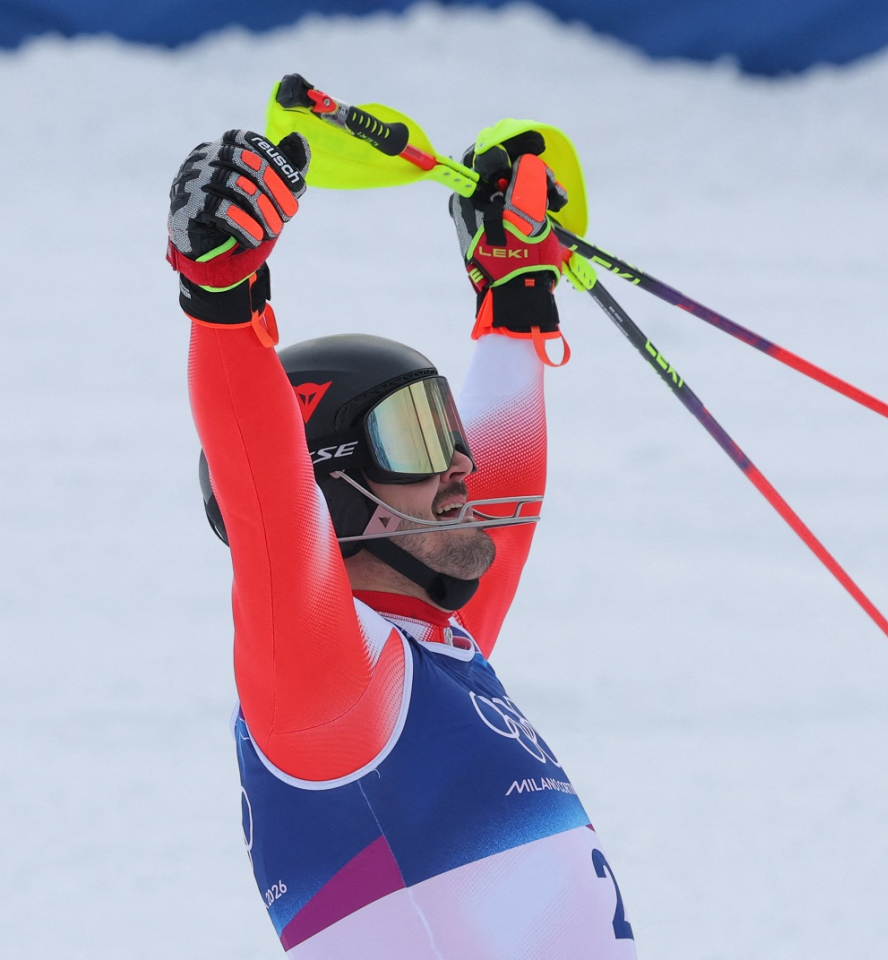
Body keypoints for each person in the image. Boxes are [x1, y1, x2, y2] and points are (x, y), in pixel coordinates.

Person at [168, 127, 636, 958]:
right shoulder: (331, 693)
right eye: (414, 440)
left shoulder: (428, 656)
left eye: (447, 428)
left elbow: (504, 505)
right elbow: (267, 500)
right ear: (331, 488)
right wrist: (224, 299)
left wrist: (516, 304)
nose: (460, 464)